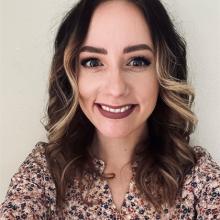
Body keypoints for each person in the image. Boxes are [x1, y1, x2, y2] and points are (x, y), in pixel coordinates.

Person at [1, 0, 220, 219]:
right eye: (93, 62)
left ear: (163, 72)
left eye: (137, 61)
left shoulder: (197, 178)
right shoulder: (45, 173)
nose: (116, 89)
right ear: (70, 75)